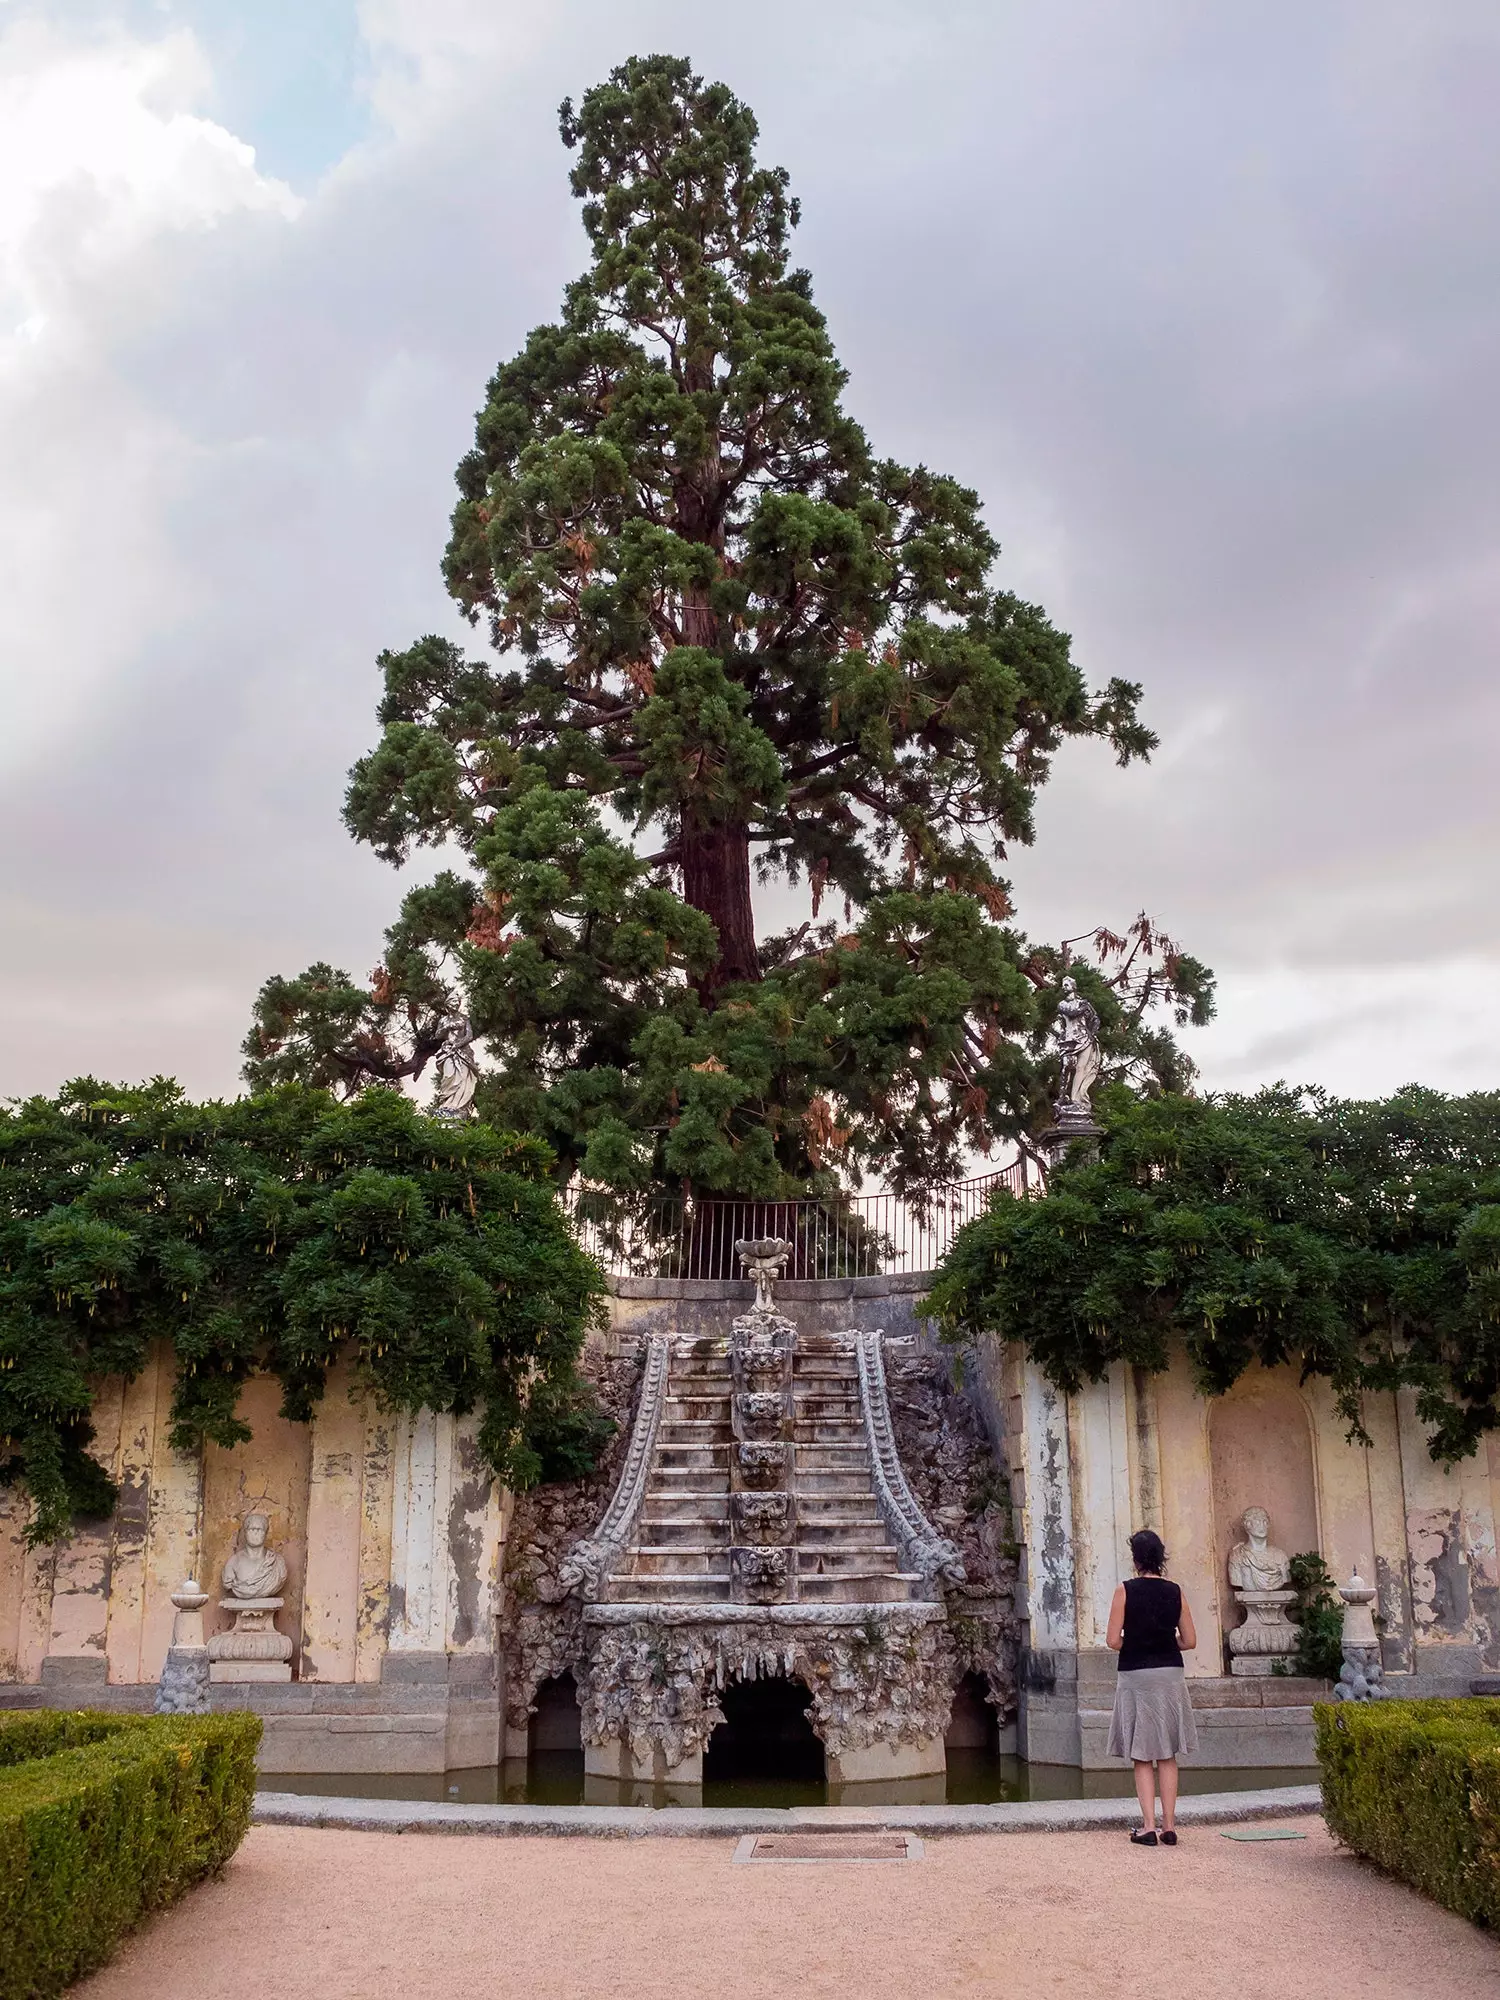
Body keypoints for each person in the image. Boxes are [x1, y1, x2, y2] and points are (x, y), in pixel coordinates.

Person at [1106, 1527, 1198, 1846]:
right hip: (1170, 1673)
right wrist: (1163, 1642)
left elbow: (1112, 1639)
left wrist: (1139, 1643)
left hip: (1136, 1675)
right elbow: (1190, 1640)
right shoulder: (1175, 1591)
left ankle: (1148, 1827)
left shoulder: (1125, 1590)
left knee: (1143, 1754)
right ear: (1161, 1558)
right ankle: (1169, 1826)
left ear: (1135, 1560)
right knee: (1168, 1752)